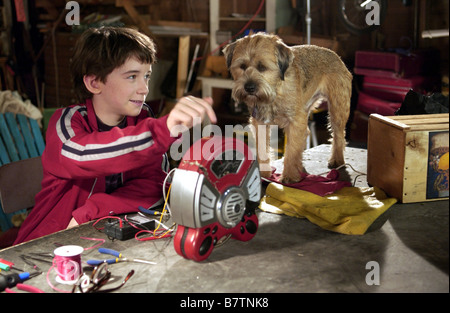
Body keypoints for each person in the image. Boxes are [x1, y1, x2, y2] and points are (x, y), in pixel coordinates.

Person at [13, 26, 216, 244]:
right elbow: (85, 156)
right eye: (131, 76)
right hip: (46, 242)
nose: (144, 88)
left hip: (101, 232)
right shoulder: (67, 121)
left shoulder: (142, 118)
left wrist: (93, 210)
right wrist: (162, 130)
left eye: (146, 76)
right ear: (94, 83)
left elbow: (154, 183)